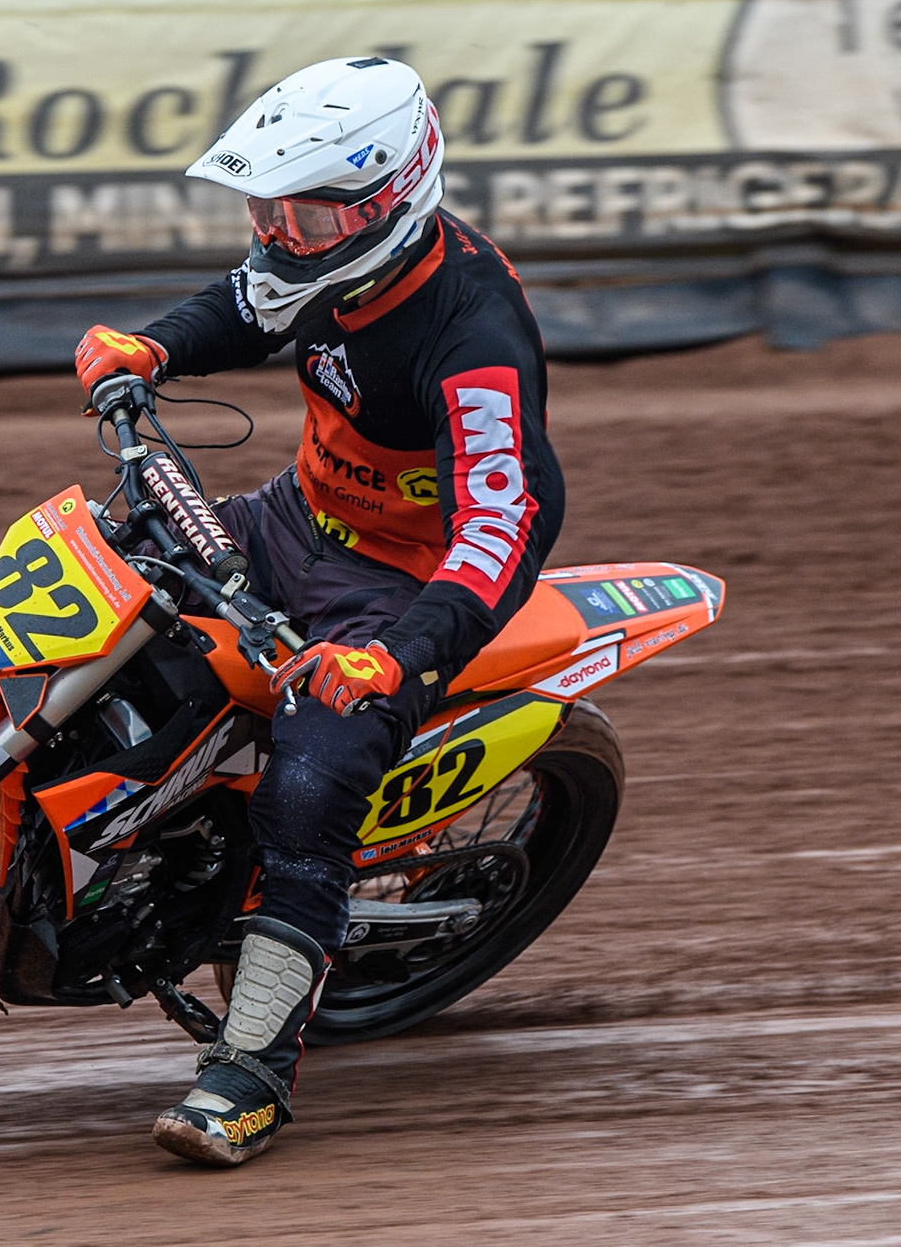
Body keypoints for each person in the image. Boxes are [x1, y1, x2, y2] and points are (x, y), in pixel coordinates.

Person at [72, 56, 565, 1166]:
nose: (279, 233)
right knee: (94, 575)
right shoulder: (322, 261)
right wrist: (152, 344)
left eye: (301, 212)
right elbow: (245, 308)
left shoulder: (470, 330)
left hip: (406, 583)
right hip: (296, 518)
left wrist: (396, 656)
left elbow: (504, 525)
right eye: (265, 210)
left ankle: (247, 1076)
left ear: (389, 195)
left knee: (311, 778)